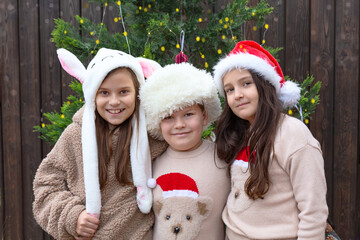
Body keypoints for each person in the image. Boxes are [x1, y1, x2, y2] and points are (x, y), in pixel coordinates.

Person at [33, 48, 167, 239]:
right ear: (92, 94)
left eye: (123, 92)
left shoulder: (153, 133)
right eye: (104, 92)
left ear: (138, 92)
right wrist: (73, 216)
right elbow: (45, 186)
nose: (114, 101)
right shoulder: (75, 136)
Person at [213, 40, 328, 239]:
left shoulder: (292, 133)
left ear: (265, 85)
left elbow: (313, 210)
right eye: (229, 89)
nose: (237, 95)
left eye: (246, 83)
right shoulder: (236, 132)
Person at [139, 62, 231, 240]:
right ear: (157, 122)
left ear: (204, 117)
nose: (179, 125)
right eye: (169, 117)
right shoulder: (150, 162)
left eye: (188, 114)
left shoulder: (223, 157)